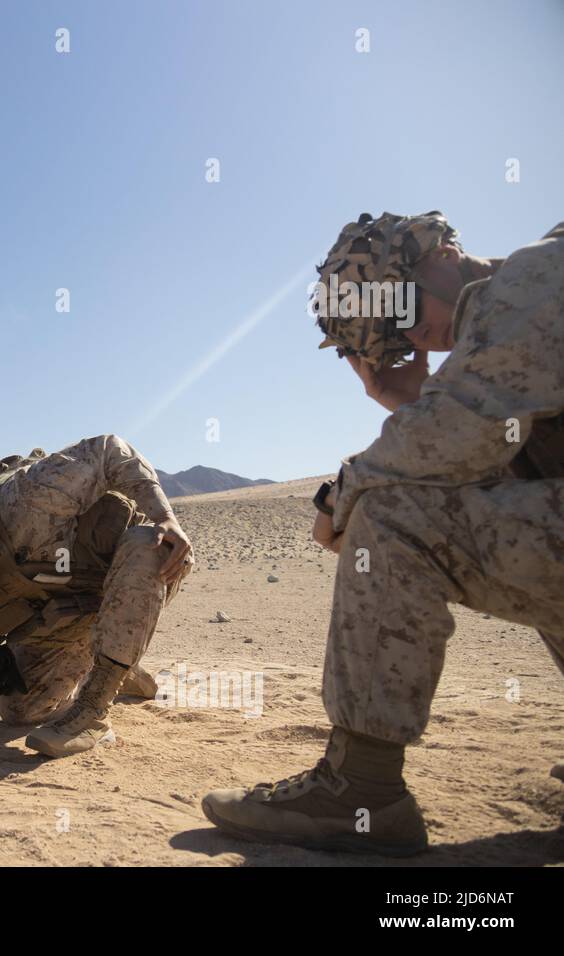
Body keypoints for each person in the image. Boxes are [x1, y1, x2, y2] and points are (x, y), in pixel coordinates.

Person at [202, 212, 564, 855]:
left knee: (392, 518)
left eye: (402, 303)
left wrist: (344, 494)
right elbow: (478, 453)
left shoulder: (533, 275)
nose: (411, 331)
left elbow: (458, 431)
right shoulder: (505, 330)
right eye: (392, 330)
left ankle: (360, 788)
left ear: (443, 252)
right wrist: (413, 401)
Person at [0, 434, 193, 758]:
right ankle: (110, 664)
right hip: (77, 597)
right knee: (20, 710)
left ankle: (94, 711)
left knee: (148, 546)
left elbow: (110, 449)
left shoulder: (28, 501)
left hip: (137, 569)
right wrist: (3, 647)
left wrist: (164, 517)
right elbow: (26, 596)